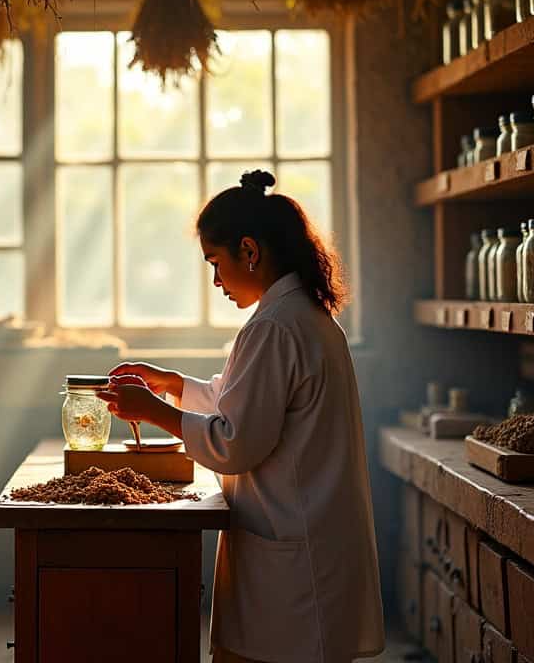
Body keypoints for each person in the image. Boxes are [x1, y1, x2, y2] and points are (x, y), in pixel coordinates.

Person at [99, 170, 384, 663]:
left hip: (296, 565)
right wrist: (175, 386)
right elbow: (244, 403)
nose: (215, 280)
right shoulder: (302, 316)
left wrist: (155, 411)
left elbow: (236, 443)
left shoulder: (275, 327)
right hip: (309, 547)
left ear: (249, 251)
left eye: (215, 262)